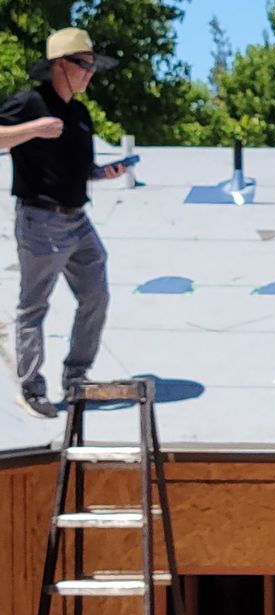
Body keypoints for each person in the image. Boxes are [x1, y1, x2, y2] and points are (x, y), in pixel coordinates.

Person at [0, 28, 127, 418]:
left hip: (77, 220)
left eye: (92, 67)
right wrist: (33, 129)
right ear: (60, 65)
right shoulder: (30, 103)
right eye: (85, 65)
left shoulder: (80, 113)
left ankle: (76, 378)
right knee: (34, 305)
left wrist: (102, 173)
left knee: (97, 295)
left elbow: (75, 166)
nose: (90, 73)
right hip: (40, 220)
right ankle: (31, 387)